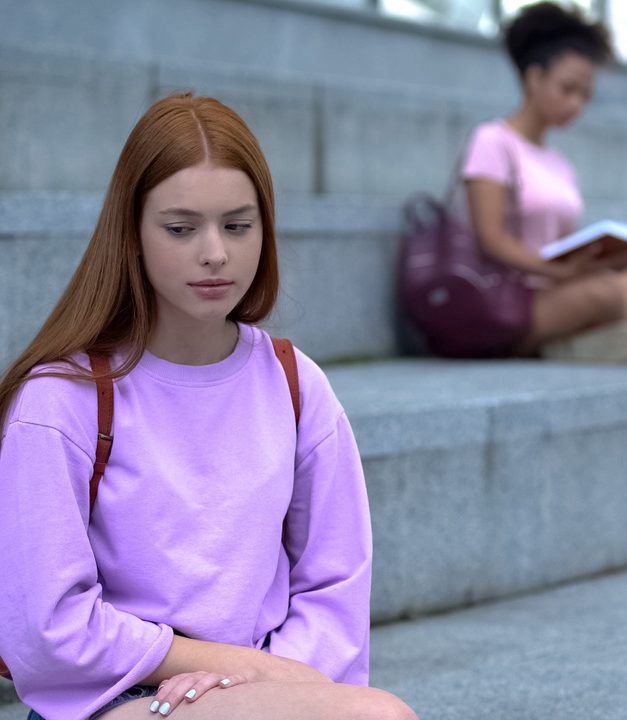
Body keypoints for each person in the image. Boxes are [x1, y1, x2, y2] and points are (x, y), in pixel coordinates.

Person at [0, 93, 416, 720]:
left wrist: (266, 677)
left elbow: (335, 588)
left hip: (272, 684)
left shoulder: (295, 384)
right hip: (116, 699)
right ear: (131, 233)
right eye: (180, 228)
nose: (215, 252)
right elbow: (47, 625)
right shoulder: (61, 399)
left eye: (238, 225)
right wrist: (219, 665)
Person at [462, 1, 627, 363]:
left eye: (585, 96)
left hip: (560, 290)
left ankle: (588, 340)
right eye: (568, 89)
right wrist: (551, 270)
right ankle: (613, 335)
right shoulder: (492, 141)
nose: (576, 104)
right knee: (605, 295)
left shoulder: (559, 164)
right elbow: (491, 239)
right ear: (535, 78)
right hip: (511, 301)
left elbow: (562, 243)